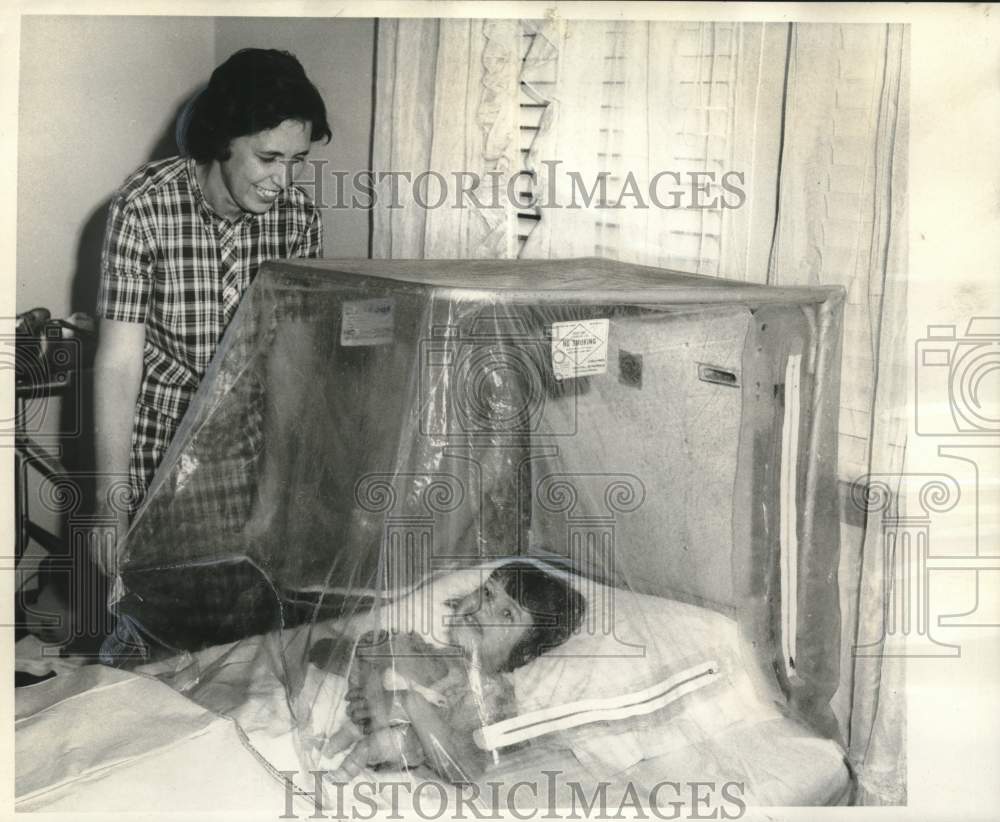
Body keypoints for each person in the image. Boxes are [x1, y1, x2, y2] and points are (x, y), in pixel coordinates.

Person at [91, 48, 331, 577]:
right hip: (155, 445)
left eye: (296, 161)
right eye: (268, 158)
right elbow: (119, 362)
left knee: (230, 623)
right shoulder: (143, 205)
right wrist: (110, 504)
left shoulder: (298, 221)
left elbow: (292, 363)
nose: (283, 182)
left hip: (247, 447)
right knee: (144, 619)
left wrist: (276, 490)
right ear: (222, 141)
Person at [311, 561, 586, 783]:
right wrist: (366, 682)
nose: (486, 607)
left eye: (506, 615)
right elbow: (329, 653)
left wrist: (409, 704)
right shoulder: (423, 652)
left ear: (524, 652)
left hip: (390, 762)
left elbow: (464, 768)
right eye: (487, 593)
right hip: (352, 739)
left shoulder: (492, 696)